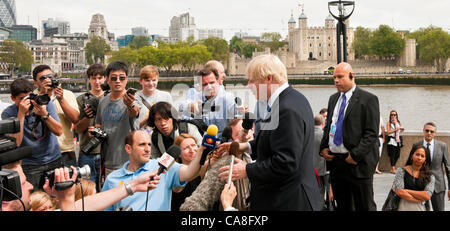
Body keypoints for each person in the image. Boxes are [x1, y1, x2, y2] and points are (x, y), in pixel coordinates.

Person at [218, 54, 322, 211]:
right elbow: (275, 141)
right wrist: (244, 146)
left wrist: (246, 170)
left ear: (268, 79)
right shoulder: (292, 99)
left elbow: (286, 162)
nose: (249, 85)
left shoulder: (286, 109)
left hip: (289, 201)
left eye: (252, 80)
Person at [320, 62, 380, 211]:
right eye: (334, 77)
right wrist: (323, 148)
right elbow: (329, 126)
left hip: (357, 163)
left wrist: (354, 155)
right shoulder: (333, 99)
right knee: (343, 206)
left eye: (340, 77)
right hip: (337, 163)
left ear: (352, 76)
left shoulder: (369, 99)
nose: (336, 80)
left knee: (364, 206)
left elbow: (372, 133)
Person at [101, 130, 204, 211]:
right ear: (128, 148)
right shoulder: (112, 179)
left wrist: (202, 150)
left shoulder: (163, 164)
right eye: (142, 144)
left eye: (149, 144)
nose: (147, 149)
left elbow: (190, 172)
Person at [2, 78, 63, 190]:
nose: (27, 101)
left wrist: (44, 114)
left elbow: (59, 131)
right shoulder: (8, 113)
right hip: (29, 165)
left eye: (29, 97)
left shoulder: (44, 102)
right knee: (34, 201)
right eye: (21, 99)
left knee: (55, 199)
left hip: (53, 159)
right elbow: (16, 144)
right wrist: (21, 114)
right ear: (12, 98)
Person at [95, 61, 140, 178]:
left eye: (122, 78)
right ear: (107, 80)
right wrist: (95, 131)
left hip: (129, 161)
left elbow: (135, 112)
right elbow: (99, 125)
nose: (118, 81)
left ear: (127, 79)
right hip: (108, 160)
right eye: (113, 78)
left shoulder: (133, 99)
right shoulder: (102, 101)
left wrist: (130, 105)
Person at [32, 65, 80, 167]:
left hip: (65, 151)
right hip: (43, 154)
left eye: (50, 77)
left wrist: (61, 99)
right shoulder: (33, 98)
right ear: (35, 83)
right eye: (43, 78)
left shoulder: (67, 94)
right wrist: (44, 94)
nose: (47, 80)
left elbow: (75, 119)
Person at [179, 66, 237, 137]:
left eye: (212, 83)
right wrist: (191, 106)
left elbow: (237, 122)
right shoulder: (195, 96)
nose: (209, 87)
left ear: (218, 82)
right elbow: (181, 108)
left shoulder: (228, 98)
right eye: (205, 84)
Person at [75, 64, 106, 191]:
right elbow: (77, 129)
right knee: (86, 190)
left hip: (107, 151)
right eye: (94, 78)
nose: (97, 82)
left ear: (105, 79)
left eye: (100, 78)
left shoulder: (110, 98)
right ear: (89, 79)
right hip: (87, 151)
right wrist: (88, 117)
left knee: (105, 189)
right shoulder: (81, 99)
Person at [413, 122, 450, 211]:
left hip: (438, 186)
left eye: (431, 131)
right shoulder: (416, 145)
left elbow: (448, 167)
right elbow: (411, 165)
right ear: (423, 131)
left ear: (435, 133)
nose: (429, 133)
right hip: (420, 185)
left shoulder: (442, 146)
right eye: (427, 130)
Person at [392, 144, 435, 211]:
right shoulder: (401, 171)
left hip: (421, 208)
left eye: (422, 156)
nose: (419, 158)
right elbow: (400, 192)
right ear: (412, 155)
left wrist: (406, 190)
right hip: (402, 206)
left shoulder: (430, 176)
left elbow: (427, 195)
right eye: (417, 154)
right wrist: (418, 199)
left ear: (425, 160)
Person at [171, 134, 203, 211]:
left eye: (193, 145)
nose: (192, 150)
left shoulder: (203, 166)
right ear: (179, 154)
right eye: (186, 148)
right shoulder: (176, 172)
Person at [313, 114, 329, 209]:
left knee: (319, 192)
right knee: (330, 191)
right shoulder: (324, 135)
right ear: (323, 123)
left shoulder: (307, 134)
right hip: (325, 168)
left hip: (313, 169)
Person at [386, 110, 404, 174]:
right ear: (390, 116)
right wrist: (396, 129)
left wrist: (401, 130)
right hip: (391, 141)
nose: (393, 116)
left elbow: (399, 131)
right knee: (392, 155)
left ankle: (392, 168)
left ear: (396, 115)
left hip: (397, 140)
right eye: (392, 115)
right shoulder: (389, 123)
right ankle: (393, 168)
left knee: (397, 155)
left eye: (394, 114)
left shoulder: (398, 122)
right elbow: (388, 132)